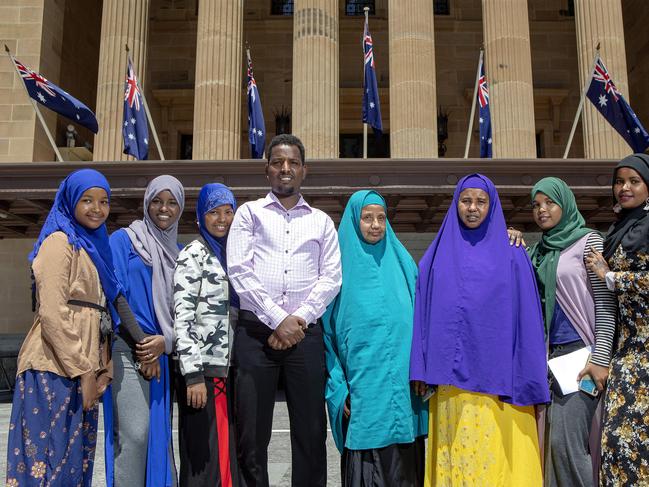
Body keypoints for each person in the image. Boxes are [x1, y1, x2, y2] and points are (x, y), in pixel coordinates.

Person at [5, 169, 143, 487]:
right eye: (87, 200)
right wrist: (83, 370)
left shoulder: (97, 249)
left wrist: (101, 368)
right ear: (70, 201)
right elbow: (52, 312)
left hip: (83, 371)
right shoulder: (59, 242)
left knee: (72, 464)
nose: (97, 208)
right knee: (46, 464)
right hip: (53, 369)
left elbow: (105, 312)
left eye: (104, 201)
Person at [410, 173, 550, 486]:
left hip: (497, 384)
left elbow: (528, 319)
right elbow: (421, 313)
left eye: (481, 201)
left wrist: (530, 375)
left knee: (492, 460)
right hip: (449, 386)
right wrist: (420, 368)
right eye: (466, 200)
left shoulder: (513, 254)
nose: (473, 208)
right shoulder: (434, 257)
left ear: (492, 205)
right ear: (455, 203)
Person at [227, 133, 342, 487]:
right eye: (278, 162)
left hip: (305, 336)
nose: (285, 169)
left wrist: (298, 320)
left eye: (292, 163)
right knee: (251, 435)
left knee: (310, 433)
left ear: (304, 171)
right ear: (267, 171)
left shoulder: (322, 222)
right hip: (254, 334)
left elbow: (332, 277)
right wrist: (278, 320)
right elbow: (239, 270)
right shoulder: (248, 214)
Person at [323, 190, 428, 486]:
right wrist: (338, 389)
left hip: (405, 392)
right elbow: (327, 341)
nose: (375, 225)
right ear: (354, 221)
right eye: (367, 218)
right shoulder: (336, 271)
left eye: (381, 218)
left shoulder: (405, 264)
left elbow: (423, 323)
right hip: (363, 392)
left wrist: (421, 368)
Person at [528, 177, 617, 486]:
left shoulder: (589, 241)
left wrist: (601, 357)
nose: (542, 210)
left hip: (582, 357)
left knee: (566, 446)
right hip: (551, 361)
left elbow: (606, 303)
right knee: (551, 445)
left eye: (549, 202)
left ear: (564, 204)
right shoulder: (539, 251)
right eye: (536, 205)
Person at [104, 175, 185, 487]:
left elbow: (185, 310)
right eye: (156, 201)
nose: (163, 208)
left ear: (180, 208)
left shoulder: (179, 252)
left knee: (156, 434)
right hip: (129, 347)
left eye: (171, 202)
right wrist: (144, 346)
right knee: (134, 435)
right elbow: (116, 295)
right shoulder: (123, 240)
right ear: (146, 202)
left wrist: (164, 343)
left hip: (162, 352)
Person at [585, 153, 649, 486]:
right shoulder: (621, 226)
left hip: (645, 350)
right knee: (617, 443)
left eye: (634, 181)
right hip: (626, 350)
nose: (624, 188)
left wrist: (612, 277)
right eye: (619, 181)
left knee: (636, 442)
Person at [174, 183, 239, 486]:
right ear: (200, 216)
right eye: (214, 212)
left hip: (231, 372)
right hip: (203, 374)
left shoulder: (237, 256)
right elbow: (182, 317)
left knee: (226, 452)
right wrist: (193, 375)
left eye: (228, 211)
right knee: (202, 457)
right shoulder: (193, 254)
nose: (222, 219)